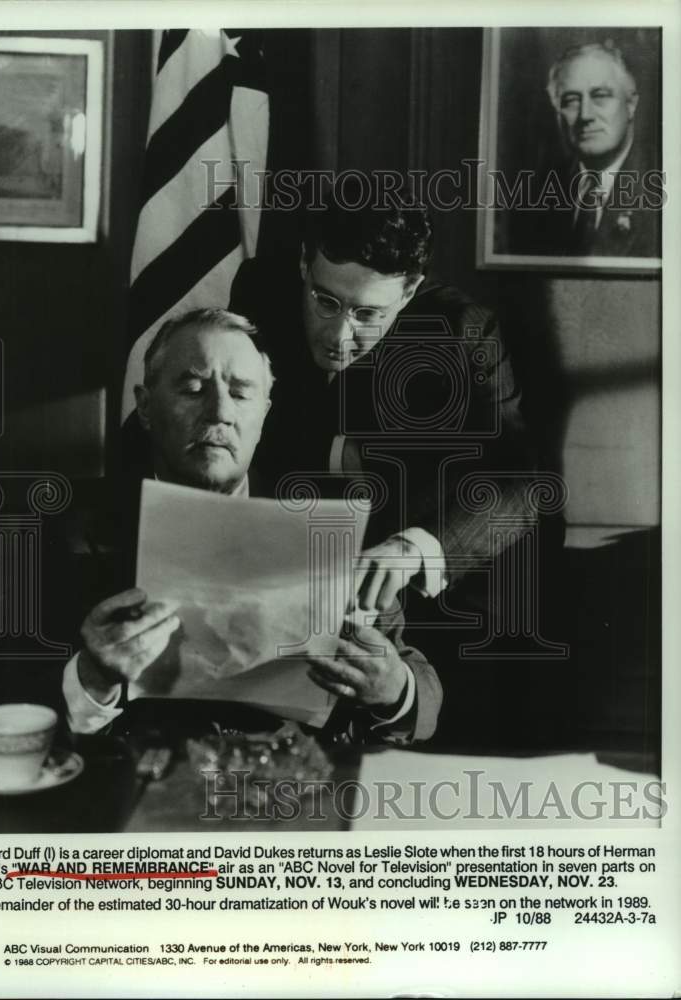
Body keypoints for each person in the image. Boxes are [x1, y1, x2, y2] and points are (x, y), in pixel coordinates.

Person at [63, 308, 442, 746]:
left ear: (264, 414)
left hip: (296, 788)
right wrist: (93, 676)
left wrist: (394, 689)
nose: (219, 412)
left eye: (241, 395)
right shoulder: (80, 530)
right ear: (146, 407)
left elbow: (423, 693)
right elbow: (7, 701)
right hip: (138, 784)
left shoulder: (329, 522)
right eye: (192, 389)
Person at [228, 178, 537, 623]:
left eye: (368, 314)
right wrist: (360, 455)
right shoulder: (261, 290)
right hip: (287, 557)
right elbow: (244, 429)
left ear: (408, 292)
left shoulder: (464, 330)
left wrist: (416, 546)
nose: (339, 336)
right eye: (325, 301)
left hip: (428, 589)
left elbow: (519, 478)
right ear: (303, 262)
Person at [528, 41, 661, 257]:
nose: (585, 115)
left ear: (631, 104)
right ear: (557, 112)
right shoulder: (538, 193)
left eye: (600, 96)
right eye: (571, 100)